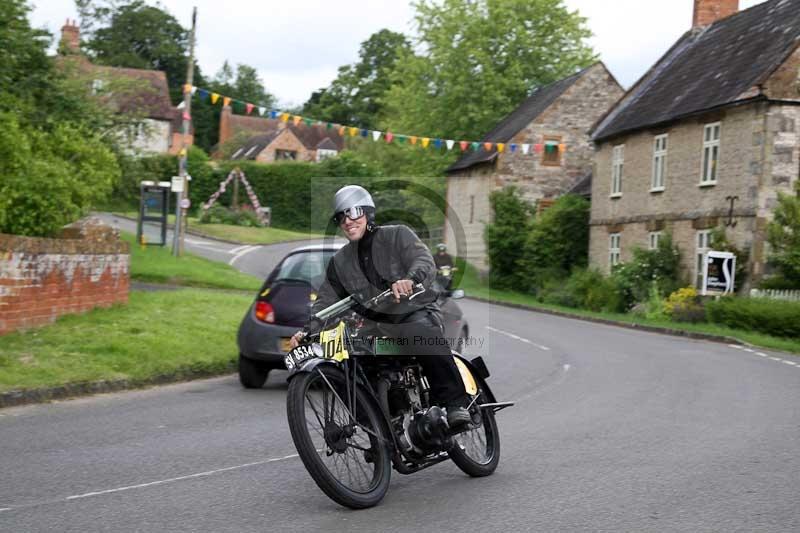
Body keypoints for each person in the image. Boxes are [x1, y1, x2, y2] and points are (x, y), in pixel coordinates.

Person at [290, 185, 471, 427]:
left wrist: (410, 279)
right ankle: (380, 431)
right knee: (349, 362)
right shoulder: (340, 262)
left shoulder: (397, 235)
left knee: (418, 332)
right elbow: (325, 301)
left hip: (411, 311)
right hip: (373, 328)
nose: (347, 221)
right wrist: (307, 330)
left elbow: (423, 260)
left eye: (354, 212)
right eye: (340, 216)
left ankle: (454, 404)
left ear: (368, 213)